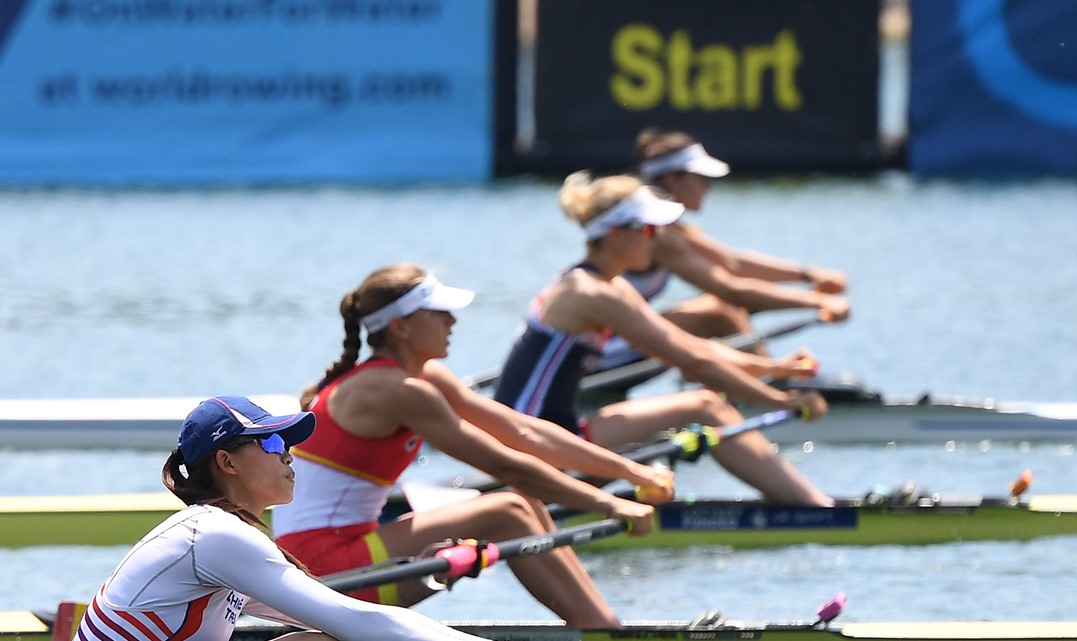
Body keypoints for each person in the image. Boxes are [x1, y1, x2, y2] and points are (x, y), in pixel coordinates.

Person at [273, 264, 666, 629]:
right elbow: (508, 467)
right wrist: (611, 503)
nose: (452, 321)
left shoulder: (421, 377)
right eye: (439, 313)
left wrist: (631, 472)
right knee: (510, 508)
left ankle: (601, 625)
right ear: (401, 328)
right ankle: (603, 631)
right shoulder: (393, 390)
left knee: (523, 506)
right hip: (322, 572)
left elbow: (524, 431)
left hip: (346, 551)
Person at [493, 172, 833, 508]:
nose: (656, 239)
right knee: (705, 406)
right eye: (647, 229)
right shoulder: (590, 293)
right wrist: (779, 401)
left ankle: (800, 500)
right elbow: (692, 362)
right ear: (616, 235)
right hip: (532, 445)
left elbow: (692, 347)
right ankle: (818, 509)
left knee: (699, 405)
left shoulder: (606, 284)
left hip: (555, 434)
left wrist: (774, 367)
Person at [72, 395, 485, 641]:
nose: (287, 453)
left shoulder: (219, 537)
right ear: (226, 461)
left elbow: (335, 613)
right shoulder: (215, 536)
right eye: (270, 440)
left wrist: (417, 579)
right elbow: (357, 619)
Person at [599, 128, 850, 369]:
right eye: (701, 178)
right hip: (601, 351)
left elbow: (732, 263)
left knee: (726, 305)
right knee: (719, 310)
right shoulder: (656, 233)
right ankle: (773, 388)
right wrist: (818, 301)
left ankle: (742, 384)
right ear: (673, 180)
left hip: (622, 338)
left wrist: (810, 275)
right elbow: (733, 290)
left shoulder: (670, 227)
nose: (707, 187)